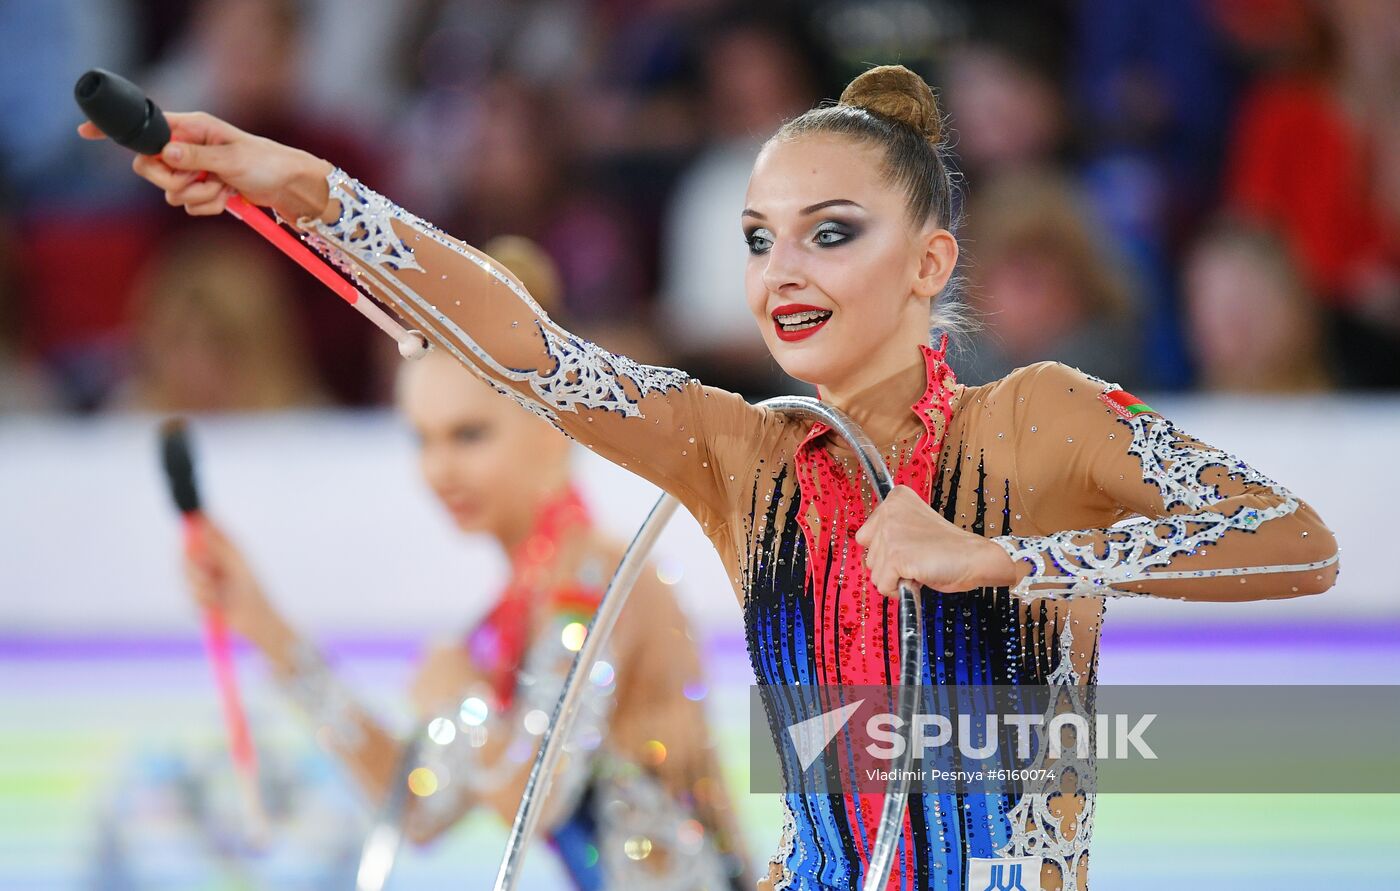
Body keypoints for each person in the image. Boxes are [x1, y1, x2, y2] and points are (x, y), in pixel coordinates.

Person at [87, 63, 1341, 891]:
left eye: (830, 232)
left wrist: (1003, 557)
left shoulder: (1042, 423)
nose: (780, 268)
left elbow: (1292, 541)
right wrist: (301, 189)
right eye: (758, 239)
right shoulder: (745, 458)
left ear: (929, 262)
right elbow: (530, 353)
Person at [179, 339, 748, 887]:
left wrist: (464, 702)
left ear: (552, 430)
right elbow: (419, 809)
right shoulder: (510, 622)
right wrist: (267, 629)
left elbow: (536, 801)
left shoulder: (598, 579)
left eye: (468, 436)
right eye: (422, 440)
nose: (439, 470)